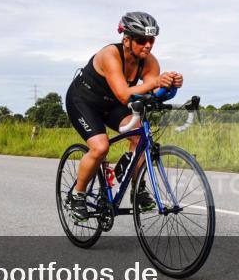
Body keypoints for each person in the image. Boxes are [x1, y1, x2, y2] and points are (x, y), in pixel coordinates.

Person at [64, 12, 183, 220]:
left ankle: (136, 186)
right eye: (141, 40)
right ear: (126, 40)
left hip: (112, 104)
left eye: (151, 40)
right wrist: (156, 82)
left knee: (139, 139)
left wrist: (169, 86)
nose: (147, 45)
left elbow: (151, 92)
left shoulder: (149, 62)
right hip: (83, 101)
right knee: (100, 147)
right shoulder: (110, 55)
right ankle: (77, 195)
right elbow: (123, 93)